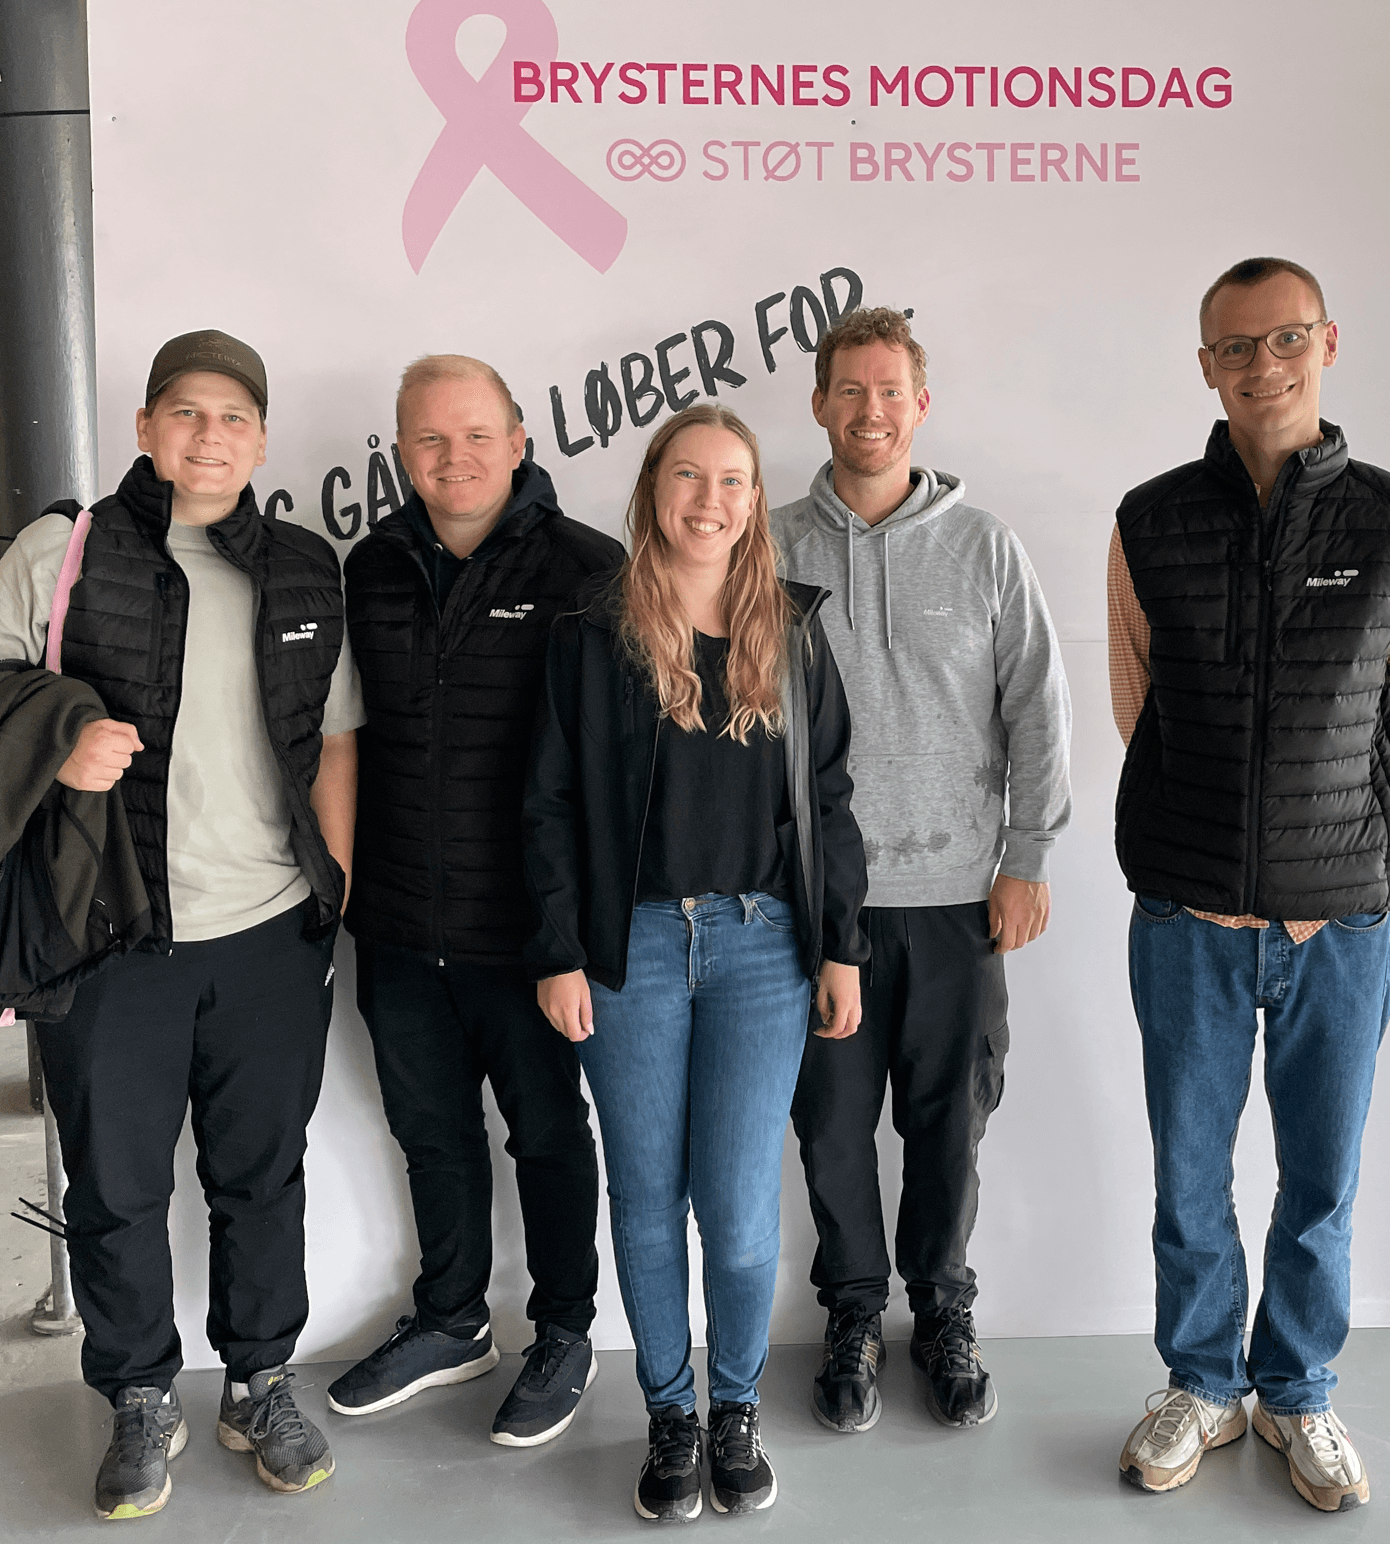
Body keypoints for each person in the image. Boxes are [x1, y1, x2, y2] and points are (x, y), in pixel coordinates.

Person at [1110, 257, 1390, 1512]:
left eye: (1286, 337)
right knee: (1187, 1175)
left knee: (1321, 1181)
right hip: (1186, 917)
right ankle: (1200, 1382)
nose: (1264, 364)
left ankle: (1297, 1392)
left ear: (1327, 341)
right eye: (1236, 346)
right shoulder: (1150, 517)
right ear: (1205, 364)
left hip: (1339, 924)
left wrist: (1331, 839)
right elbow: (1133, 696)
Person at [0, 330, 361, 1518]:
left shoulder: (305, 566)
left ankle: (258, 1377)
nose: (210, 436)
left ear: (261, 438)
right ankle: (140, 1393)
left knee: (262, 1174)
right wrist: (62, 735)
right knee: (116, 1183)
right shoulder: (61, 551)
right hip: (111, 937)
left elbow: (335, 737)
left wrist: (331, 887)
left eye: (234, 417)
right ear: (148, 428)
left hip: (268, 934)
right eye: (186, 412)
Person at [524, 403, 869, 1521]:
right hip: (627, 955)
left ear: (755, 499)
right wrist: (561, 950)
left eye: (731, 479)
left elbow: (825, 800)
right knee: (643, 1196)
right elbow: (549, 802)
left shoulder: (793, 629)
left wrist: (841, 948)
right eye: (687, 475)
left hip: (762, 947)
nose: (708, 499)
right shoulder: (593, 629)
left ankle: (732, 1406)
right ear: (653, 489)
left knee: (734, 1200)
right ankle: (667, 1410)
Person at [771, 307, 1072, 1432]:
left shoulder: (985, 545)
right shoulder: (770, 542)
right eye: (848, 390)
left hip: (957, 900)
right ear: (818, 404)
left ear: (920, 404)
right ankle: (852, 1310)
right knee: (834, 1126)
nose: (869, 410)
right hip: (819, 911)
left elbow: (1037, 705)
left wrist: (1027, 852)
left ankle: (941, 1303)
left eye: (889, 389)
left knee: (950, 1120)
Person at [331, 356, 621, 1446]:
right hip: (400, 926)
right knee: (431, 1131)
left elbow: (610, 772)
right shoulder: (371, 568)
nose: (452, 459)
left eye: (474, 435)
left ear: (519, 442)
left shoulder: (588, 568)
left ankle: (563, 1327)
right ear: (400, 454)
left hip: (531, 936)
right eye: (427, 441)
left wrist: (576, 936)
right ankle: (452, 1317)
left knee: (546, 1132)